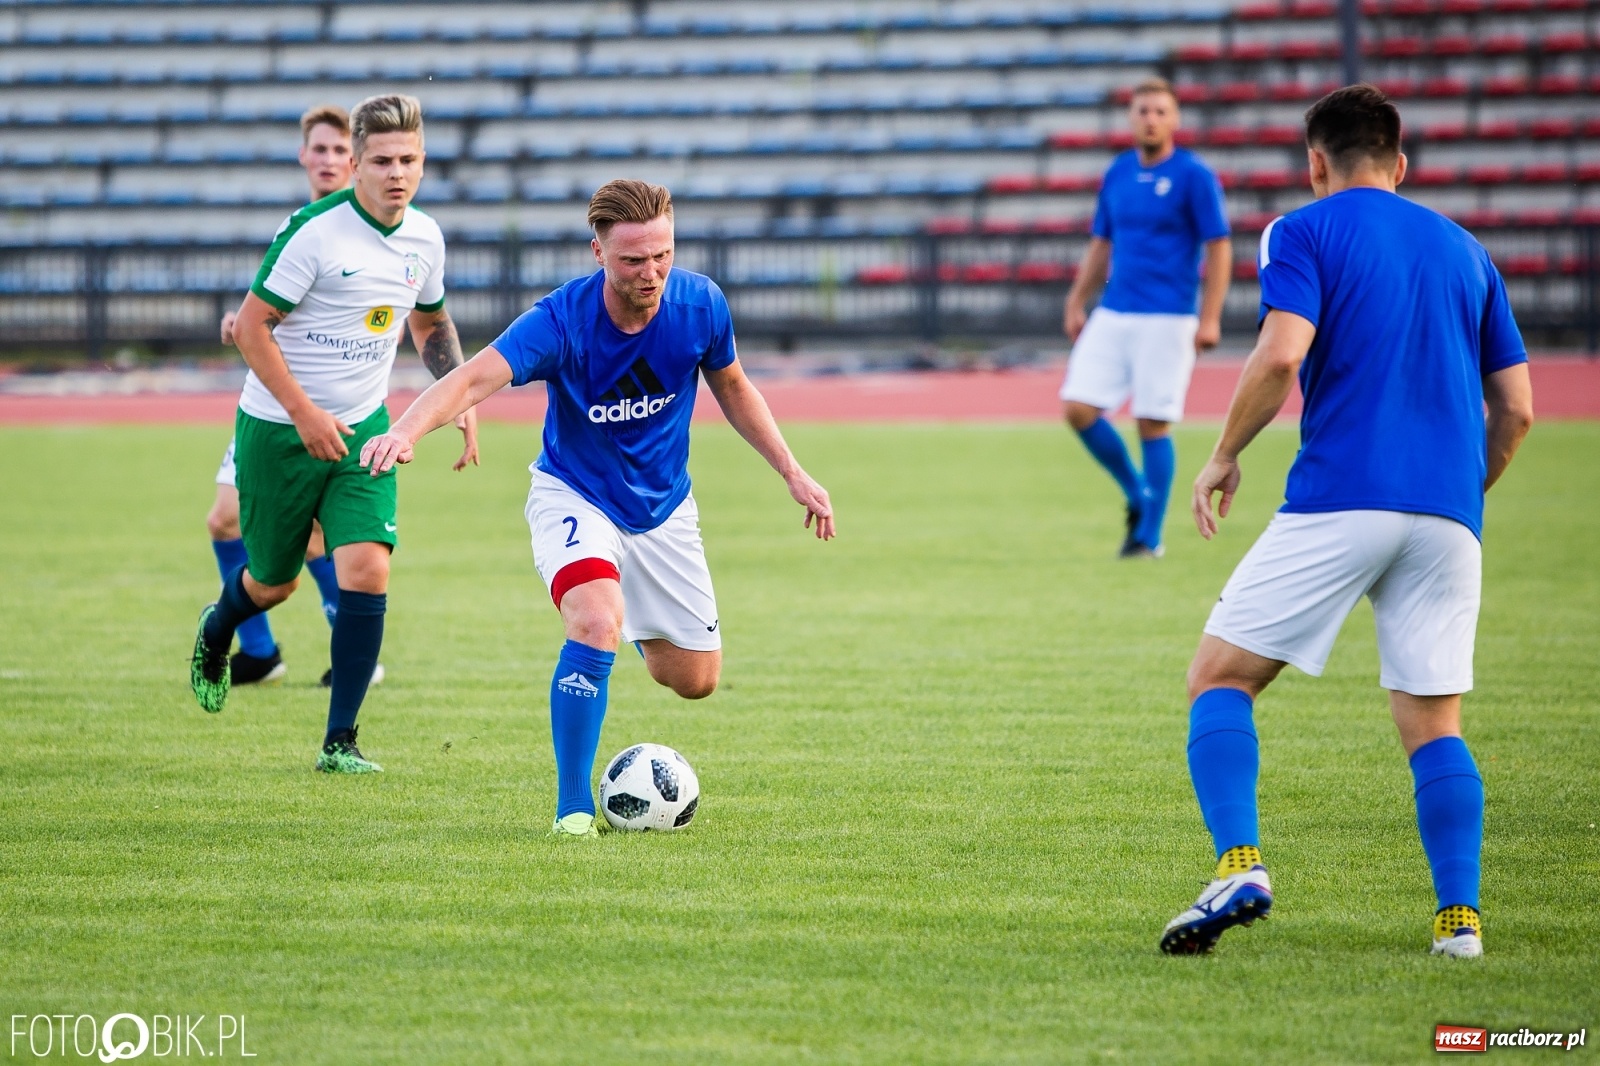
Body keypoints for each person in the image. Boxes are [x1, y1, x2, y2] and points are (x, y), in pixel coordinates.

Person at [1159, 85, 1533, 958]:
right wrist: (1462, 495)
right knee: (1434, 724)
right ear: (1401, 164)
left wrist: (1222, 453)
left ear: (1315, 164)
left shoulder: (1301, 231)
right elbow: (1515, 409)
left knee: (1219, 676)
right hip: (1450, 513)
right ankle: (1458, 926)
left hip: (1340, 495)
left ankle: (1241, 865)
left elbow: (1283, 349)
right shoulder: (1468, 250)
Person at [360, 179, 835, 835]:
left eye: (662, 255)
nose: (652, 272)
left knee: (693, 679)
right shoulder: (560, 321)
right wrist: (405, 431)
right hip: (574, 495)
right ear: (598, 252)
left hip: (664, 508)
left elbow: (734, 387)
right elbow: (474, 378)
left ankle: (624, 628)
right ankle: (573, 808)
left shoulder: (701, 305)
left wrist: (793, 472)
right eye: (633, 260)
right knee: (592, 622)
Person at [189, 94, 479, 774]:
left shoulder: (425, 238)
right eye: (381, 161)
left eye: (409, 159)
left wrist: (459, 393)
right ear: (356, 164)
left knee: (368, 567)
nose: (396, 173)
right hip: (277, 429)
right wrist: (303, 414)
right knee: (274, 581)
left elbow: (431, 323)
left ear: (424, 161)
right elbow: (253, 327)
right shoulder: (315, 232)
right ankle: (219, 626)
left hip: (365, 429)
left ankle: (339, 742)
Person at [210, 105, 369, 687]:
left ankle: (354, 653)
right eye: (318, 149)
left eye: (339, 151)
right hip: (271, 406)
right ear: (303, 155)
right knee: (224, 521)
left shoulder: (367, 231)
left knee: (314, 539)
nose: (328, 160)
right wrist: (242, 324)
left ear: (357, 161)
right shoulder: (298, 224)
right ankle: (260, 652)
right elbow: (271, 313)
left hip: (324, 407)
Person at [1060, 77, 1232, 557]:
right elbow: (1102, 243)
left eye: (1160, 111)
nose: (1150, 119)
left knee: (1152, 422)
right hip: (1115, 311)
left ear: (1174, 119)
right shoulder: (1117, 172)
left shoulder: (1194, 176)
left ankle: (1148, 537)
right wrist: (1078, 300)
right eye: (1142, 111)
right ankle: (1138, 493)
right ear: (1131, 118)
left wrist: (1210, 316)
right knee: (1077, 407)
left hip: (1169, 315)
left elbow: (1218, 246)